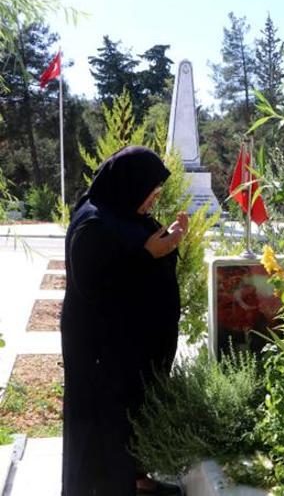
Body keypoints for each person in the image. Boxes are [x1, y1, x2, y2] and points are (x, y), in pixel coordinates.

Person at [61, 146, 188, 495]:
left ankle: (134, 478)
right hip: (100, 349)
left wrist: (166, 242)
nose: (152, 200)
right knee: (105, 419)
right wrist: (149, 255)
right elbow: (97, 287)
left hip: (122, 346)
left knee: (129, 411)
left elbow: (133, 246)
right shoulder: (93, 224)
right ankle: (105, 486)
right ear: (130, 185)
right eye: (151, 193)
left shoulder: (118, 212)